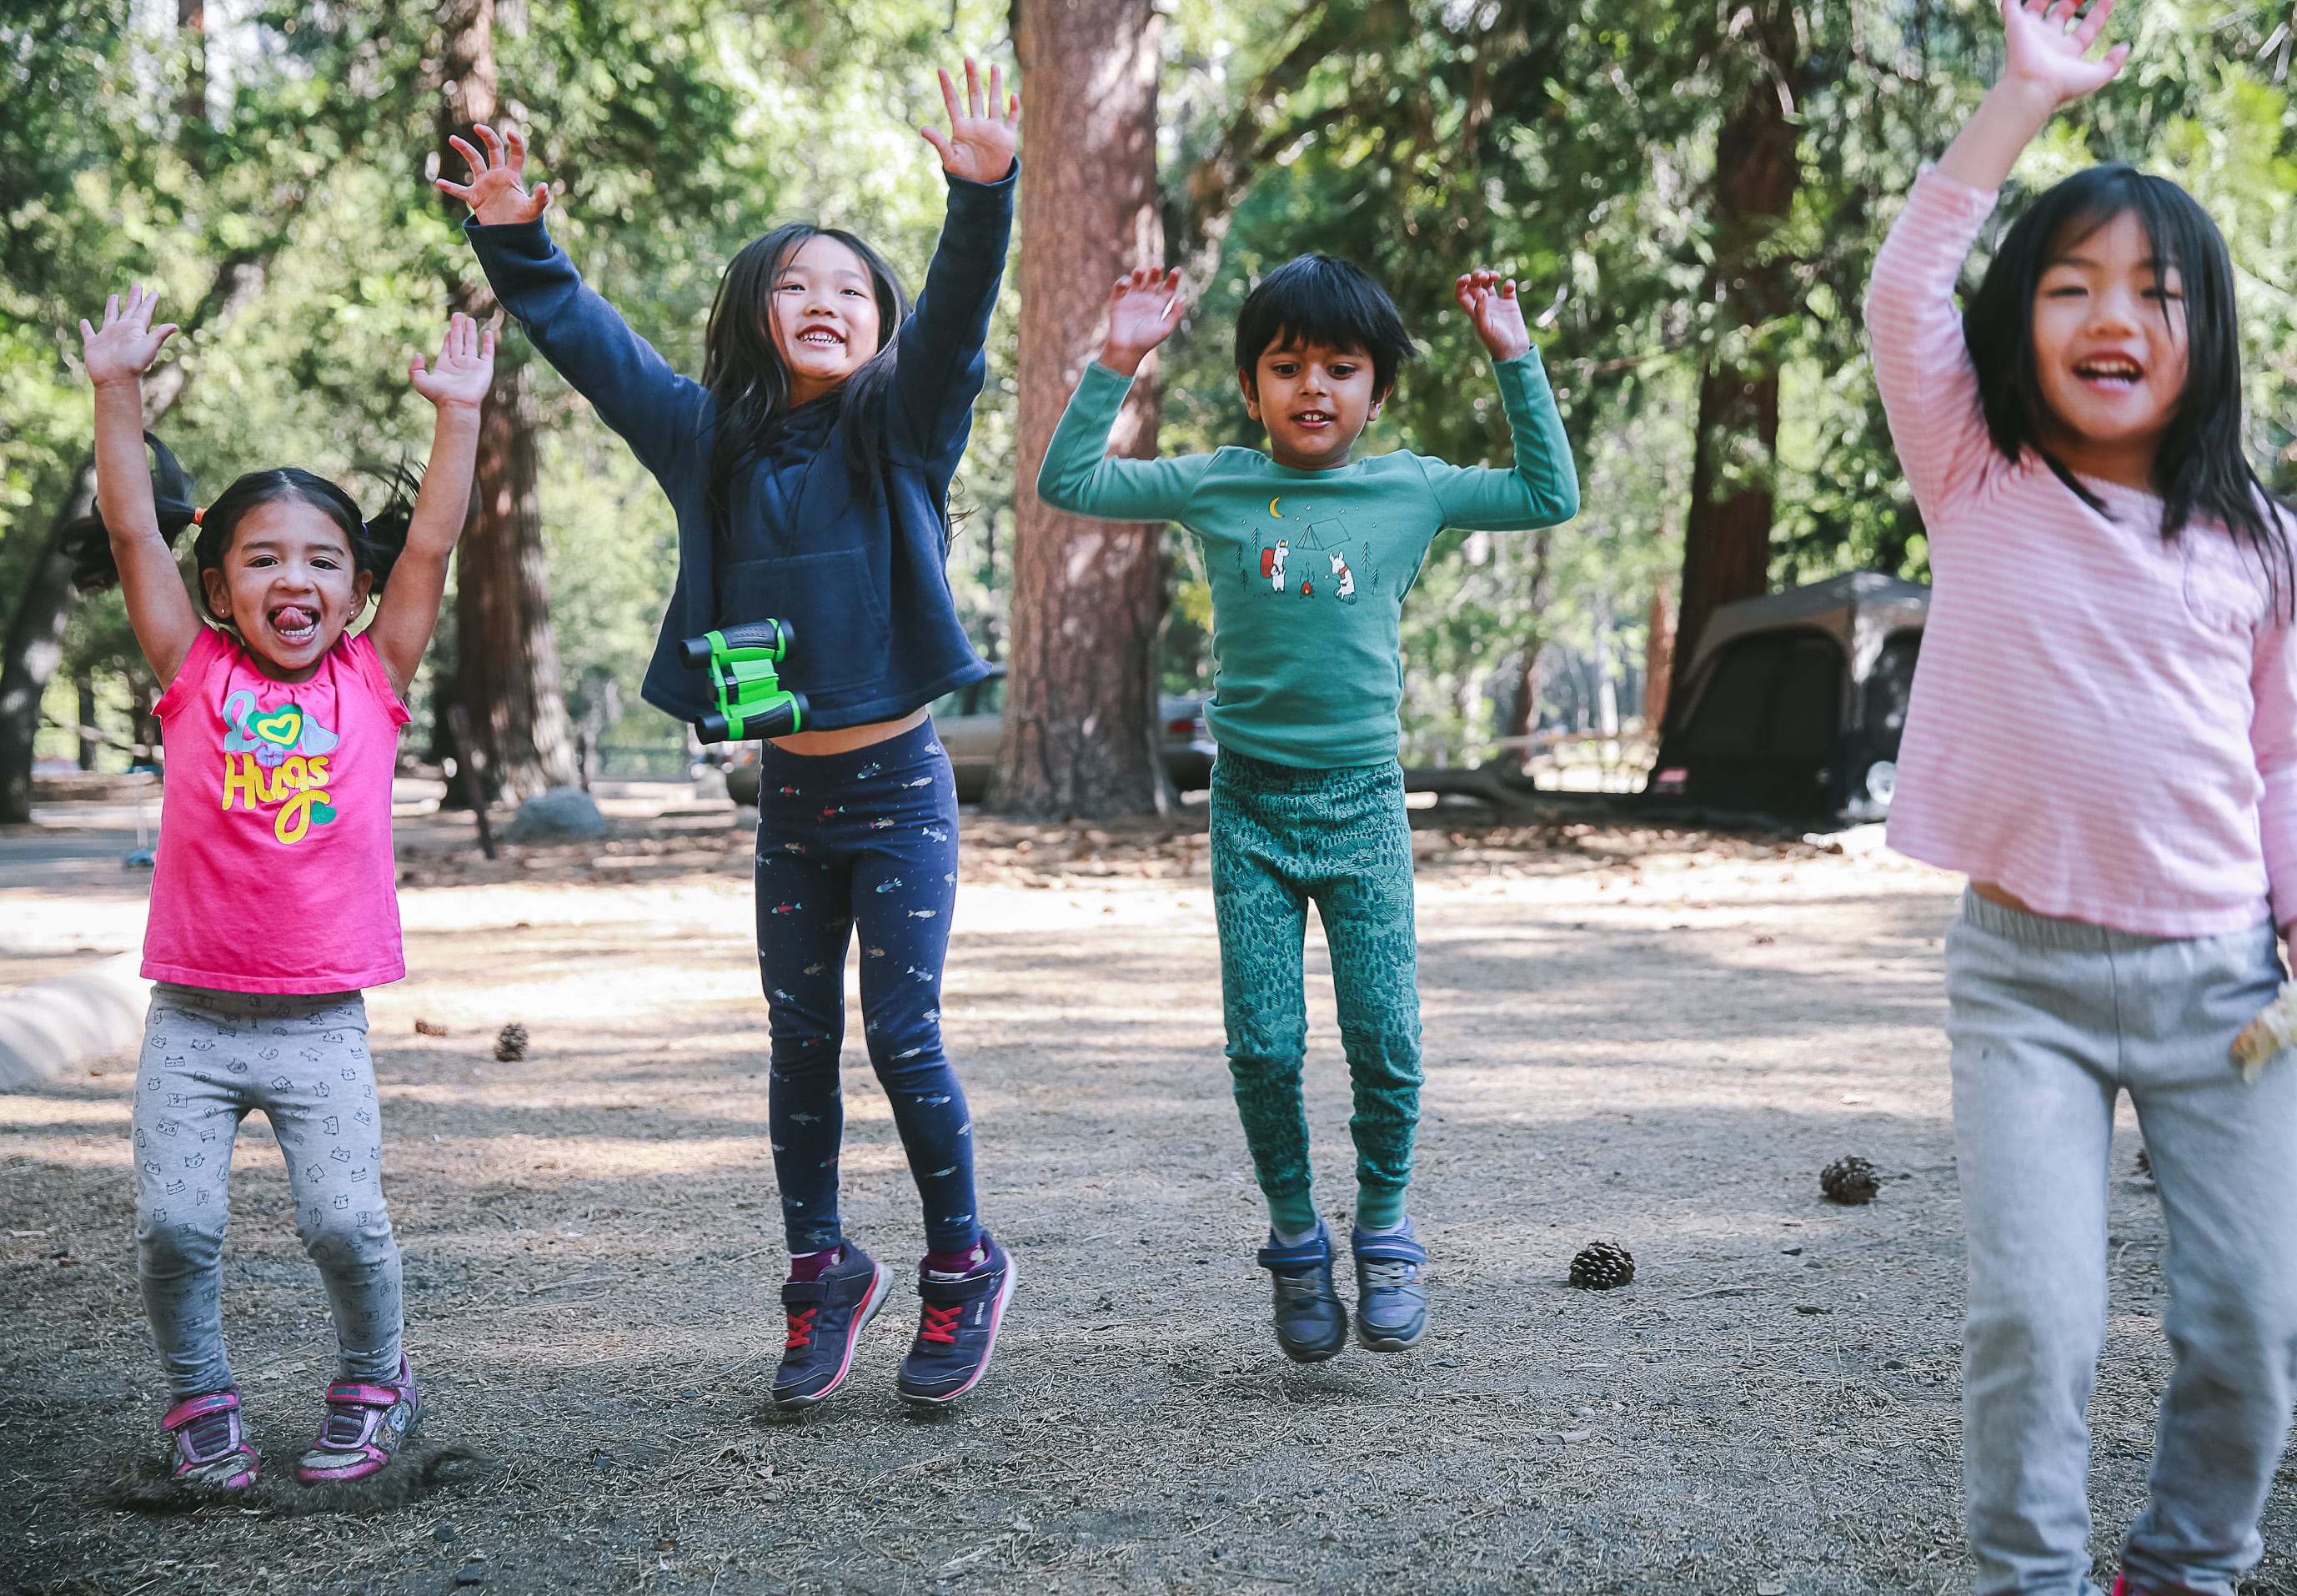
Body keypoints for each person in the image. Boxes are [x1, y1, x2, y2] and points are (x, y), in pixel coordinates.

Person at [1863, 3, 2297, 1596]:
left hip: (2225, 982)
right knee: (2038, 1313)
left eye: (2155, 295)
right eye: (2071, 285)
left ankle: (2183, 1568)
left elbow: (2284, 755)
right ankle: (2034, 1581)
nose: (2112, 317)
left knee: (2264, 1319)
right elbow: (1901, 292)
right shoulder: (1977, 474)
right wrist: (2023, 100)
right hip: (2021, 977)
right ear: (2023, 317)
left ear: (2205, 336)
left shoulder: (2267, 547)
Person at [436, 61, 1020, 1409]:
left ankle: (960, 1265)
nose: (826, 305)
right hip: (791, 807)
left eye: (851, 292)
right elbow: (591, 343)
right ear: (754, 314)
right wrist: (517, 239)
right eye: (797, 286)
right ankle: (822, 1272)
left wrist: (979, 199)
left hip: (899, 788)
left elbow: (954, 329)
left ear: (878, 329)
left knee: (904, 1039)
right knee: (796, 1046)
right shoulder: (702, 439)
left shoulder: (901, 431)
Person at [1036, 256, 1578, 1362]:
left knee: (1384, 1034)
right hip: (1252, 811)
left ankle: (1383, 1228)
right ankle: (1295, 1240)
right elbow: (1071, 484)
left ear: (1378, 390)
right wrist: (1117, 358)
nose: (1314, 387)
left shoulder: (1410, 489)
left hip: (1366, 806)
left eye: (1342, 367)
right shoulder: (1219, 484)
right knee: (1264, 1044)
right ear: (1251, 388)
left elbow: (1548, 495)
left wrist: (1515, 354)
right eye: (1286, 367)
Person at [71, 289, 494, 1487]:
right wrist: (118, 393)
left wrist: (457, 416)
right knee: (173, 1228)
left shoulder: (372, 676)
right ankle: (198, 1402)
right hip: (192, 1020)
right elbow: (133, 537)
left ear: (354, 591)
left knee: (345, 1223)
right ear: (218, 588)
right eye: (262, 559)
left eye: (321, 560)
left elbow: (430, 543)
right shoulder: (190, 670)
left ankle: (377, 1380)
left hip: (320, 1019)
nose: (293, 578)